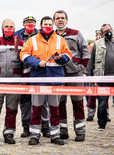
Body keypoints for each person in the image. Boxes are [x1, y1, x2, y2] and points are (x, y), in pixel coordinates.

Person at [20, 16, 72, 145]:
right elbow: (23, 54)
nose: (48, 26)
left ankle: (55, 135)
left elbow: (68, 55)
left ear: (53, 25)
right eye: (45, 24)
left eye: (50, 24)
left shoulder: (60, 40)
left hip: (55, 79)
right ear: (41, 25)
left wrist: (61, 58)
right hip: (39, 78)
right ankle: (34, 135)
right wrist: (37, 62)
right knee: (36, 108)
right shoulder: (32, 40)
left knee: (55, 109)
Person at [53, 10, 90, 141]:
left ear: (67, 20)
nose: (60, 20)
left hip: (75, 74)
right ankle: (63, 130)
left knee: (78, 102)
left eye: (62, 18)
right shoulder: (51, 36)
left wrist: (81, 68)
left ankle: (80, 131)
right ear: (54, 21)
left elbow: (85, 52)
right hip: (58, 74)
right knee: (60, 104)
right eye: (57, 18)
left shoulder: (76, 33)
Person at [14, 16, 50, 138]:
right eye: (28, 22)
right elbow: (16, 54)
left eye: (32, 22)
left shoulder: (41, 35)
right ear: (23, 24)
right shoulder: (16, 36)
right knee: (25, 102)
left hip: (39, 72)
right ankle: (26, 127)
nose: (30, 24)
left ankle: (45, 126)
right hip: (23, 73)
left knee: (43, 100)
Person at [85, 24, 114, 131]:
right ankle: (102, 124)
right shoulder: (97, 44)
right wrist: (88, 76)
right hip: (103, 78)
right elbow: (91, 61)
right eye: (105, 31)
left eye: (109, 30)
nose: (108, 32)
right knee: (102, 102)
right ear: (102, 34)